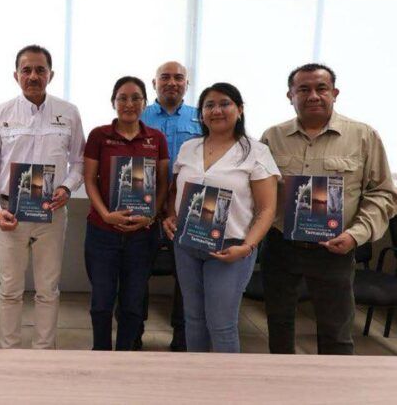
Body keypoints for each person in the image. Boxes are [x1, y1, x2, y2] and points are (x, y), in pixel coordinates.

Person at [261, 63, 397, 355]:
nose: (313, 95)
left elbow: (383, 193)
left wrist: (355, 235)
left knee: (336, 331)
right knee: (279, 325)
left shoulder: (363, 136)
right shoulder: (272, 136)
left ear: (334, 93)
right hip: (281, 245)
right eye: (303, 89)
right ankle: (281, 381)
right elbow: (259, 191)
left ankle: (334, 383)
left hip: (335, 248)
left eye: (321, 88)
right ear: (290, 96)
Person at [0, 44, 85, 349]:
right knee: (10, 288)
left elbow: (79, 162)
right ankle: (10, 351)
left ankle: (43, 351)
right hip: (10, 212)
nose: (33, 76)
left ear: (51, 74)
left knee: (48, 288)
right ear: (16, 75)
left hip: (52, 212)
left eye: (40, 70)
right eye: (26, 70)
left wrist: (67, 187)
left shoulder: (69, 112)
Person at [163, 82, 278, 352]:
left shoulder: (256, 152)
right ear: (201, 113)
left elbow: (267, 209)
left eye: (225, 103)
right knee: (193, 319)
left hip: (231, 248)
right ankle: (198, 374)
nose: (217, 110)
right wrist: (170, 215)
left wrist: (247, 247)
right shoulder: (189, 148)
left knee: (221, 324)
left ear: (239, 109)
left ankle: (226, 379)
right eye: (209, 105)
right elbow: (175, 190)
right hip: (187, 244)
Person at [83, 76, 169, 350]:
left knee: (133, 303)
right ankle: (100, 352)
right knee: (101, 302)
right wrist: (106, 215)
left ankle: (125, 355)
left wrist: (151, 216)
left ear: (145, 102)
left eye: (136, 98)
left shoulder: (156, 138)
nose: (129, 104)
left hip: (142, 236)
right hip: (103, 233)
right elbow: (89, 180)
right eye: (122, 98)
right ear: (113, 102)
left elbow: (164, 183)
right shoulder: (99, 135)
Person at [139, 60, 202, 351]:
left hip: (188, 210)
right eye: (165, 77)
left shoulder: (201, 117)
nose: (172, 83)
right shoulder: (138, 114)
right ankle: (132, 333)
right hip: (144, 207)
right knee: (136, 273)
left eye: (179, 78)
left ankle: (182, 340)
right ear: (154, 83)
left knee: (187, 279)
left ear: (187, 84)